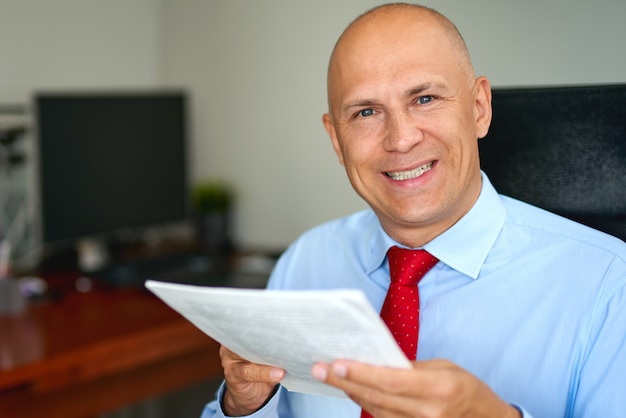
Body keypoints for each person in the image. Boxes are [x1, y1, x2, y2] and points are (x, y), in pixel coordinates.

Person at [202, 3, 626, 417]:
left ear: (478, 108)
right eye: (366, 112)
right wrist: (243, 407)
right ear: (336, 139)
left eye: (424, 99)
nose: (401, 139)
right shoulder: (304, 262)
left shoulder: (609, 286)